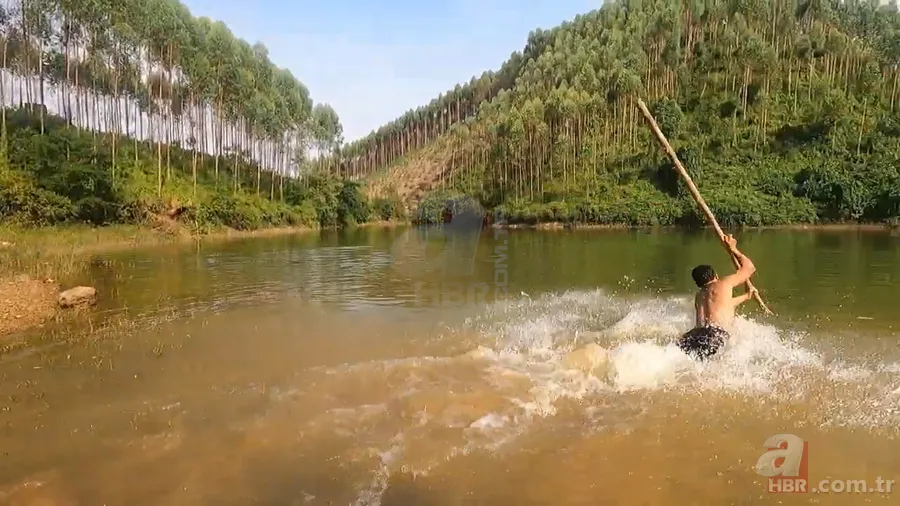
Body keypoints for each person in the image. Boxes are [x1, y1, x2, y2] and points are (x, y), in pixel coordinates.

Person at [677, 234, 757, 360]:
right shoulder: (722, 283)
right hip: (715, 335)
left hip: (694, 335)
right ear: (715, 275)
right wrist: (733, 249)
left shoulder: (699, 296)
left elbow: (725, 306)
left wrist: (747, 296)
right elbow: (750, 268)